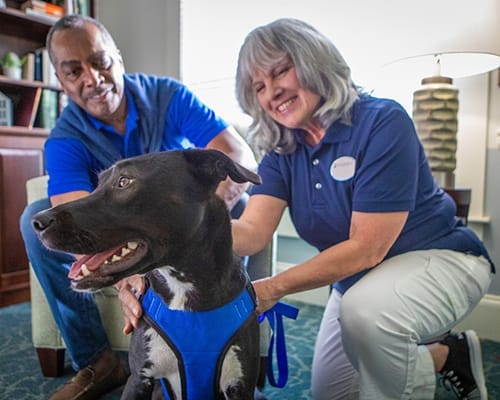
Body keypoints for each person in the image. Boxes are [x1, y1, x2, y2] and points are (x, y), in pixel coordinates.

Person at [118, 18, 494, 400]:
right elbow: (250, 233)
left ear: (314, 60)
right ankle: (449, 356)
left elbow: (369, 248)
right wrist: (159, 246)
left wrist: (275, 287)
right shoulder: (283, 149)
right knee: (331, 392)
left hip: (440, 258)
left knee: (369, 318)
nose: (271, 92)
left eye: (281, 71)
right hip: (357, 283)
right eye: (258, 87)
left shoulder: (382, 120)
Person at [19, 14, 257, 400]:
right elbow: (74, 213)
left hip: (183, 230)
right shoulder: (65, 137)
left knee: (242, 202)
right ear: (61, 82)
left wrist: (198, 220)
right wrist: (129, 273)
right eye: (74, 71)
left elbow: (235, 153)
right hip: (115, 231)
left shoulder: (169, 95)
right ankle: (97, 361)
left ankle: (236, 341)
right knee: (36, 218)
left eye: (100, 61)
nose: (92, 78)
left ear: (119, 57)